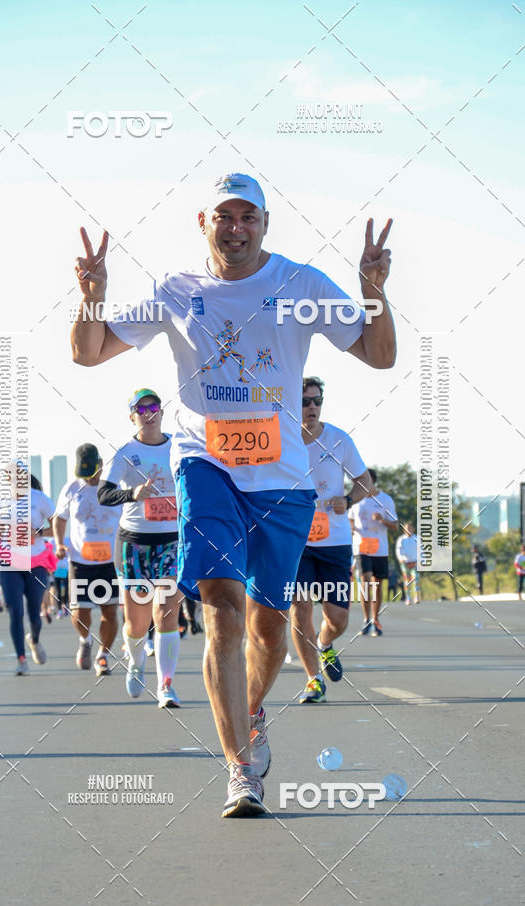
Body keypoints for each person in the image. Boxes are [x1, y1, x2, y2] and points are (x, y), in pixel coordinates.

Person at [72, 171, 396, 816]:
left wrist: (373, 292)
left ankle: (250, 712)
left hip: (282, 479)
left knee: (269, 628)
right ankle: (239, 769)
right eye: (225, 216)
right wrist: (92, 297)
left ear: (265, 226)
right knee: (220, 604)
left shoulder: (299, 284)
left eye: (249, 217)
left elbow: (379, 356)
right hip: (205, 464)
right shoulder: (177, 290)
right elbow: (88, 353)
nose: (236, 228)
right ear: (204, 224)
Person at [97, 389, 185, 707]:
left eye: (154, 407)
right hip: (134, 543)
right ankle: (136, 662)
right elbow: (104, 495)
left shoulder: (178, 445)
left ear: (162, 412)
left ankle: (166, 685)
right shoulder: (124, 453)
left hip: (172, 542)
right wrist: (133, 494)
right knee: (137, 623)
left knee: (166, 614)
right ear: (132, 415)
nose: (149, 413)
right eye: (141, 408)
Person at [290, 377, 372, 703]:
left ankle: (325, 644)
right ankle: (312, 680)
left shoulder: (338, 439)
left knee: (337, 619)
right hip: (297, 541)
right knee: (299, 608)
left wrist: (349, 501)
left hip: (335, 541)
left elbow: (364, 481)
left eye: (316, 401)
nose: (311, 407)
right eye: (305, 401)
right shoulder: (283, 441)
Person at [53, 444, 121, 677]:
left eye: (93, 472)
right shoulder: (71, 488)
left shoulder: (114, 487)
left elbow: (129, 519)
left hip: (109, 561)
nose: (90, 478)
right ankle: (85, 640)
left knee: (109, 612)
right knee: (80, 613)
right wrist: (59, 543)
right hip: (80, 560)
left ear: (101, 465)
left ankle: (103, 655)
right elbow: (59, 519)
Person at [0, 465, 55, 675]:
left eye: (19, 476)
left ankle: (34, 641)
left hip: (35, 563)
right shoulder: (1, 501)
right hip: (9, 563)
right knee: (15, 612)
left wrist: (37, 532)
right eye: (10, 477)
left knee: (34, 615)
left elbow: (58, 525)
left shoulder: (39, 498)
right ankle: (21, 660)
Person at [349, 469, 398, 637]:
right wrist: (351, 527)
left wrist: (382, 520)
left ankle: (375, 620)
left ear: (372, 482)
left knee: (377, 585)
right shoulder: (355, 501)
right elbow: (349, 519)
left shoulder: (385, 500)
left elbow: (396, 525)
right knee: (365, 581)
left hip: (380, 549)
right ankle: (366, 619)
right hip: (361, 548)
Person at [395, 521, 422, 605]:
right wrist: (401, 558)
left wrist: (421, 560)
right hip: (405, 563)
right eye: (407, 528)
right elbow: (398, 550)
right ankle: (408, 598)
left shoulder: (417, 538)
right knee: (407, 580)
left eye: (410, 528)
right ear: (404, 530)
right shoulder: (401, 539)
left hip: (415, 562)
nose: (409, 530)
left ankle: (416, 596)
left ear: (413, 529)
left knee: (415, 579)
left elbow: (422, 550)